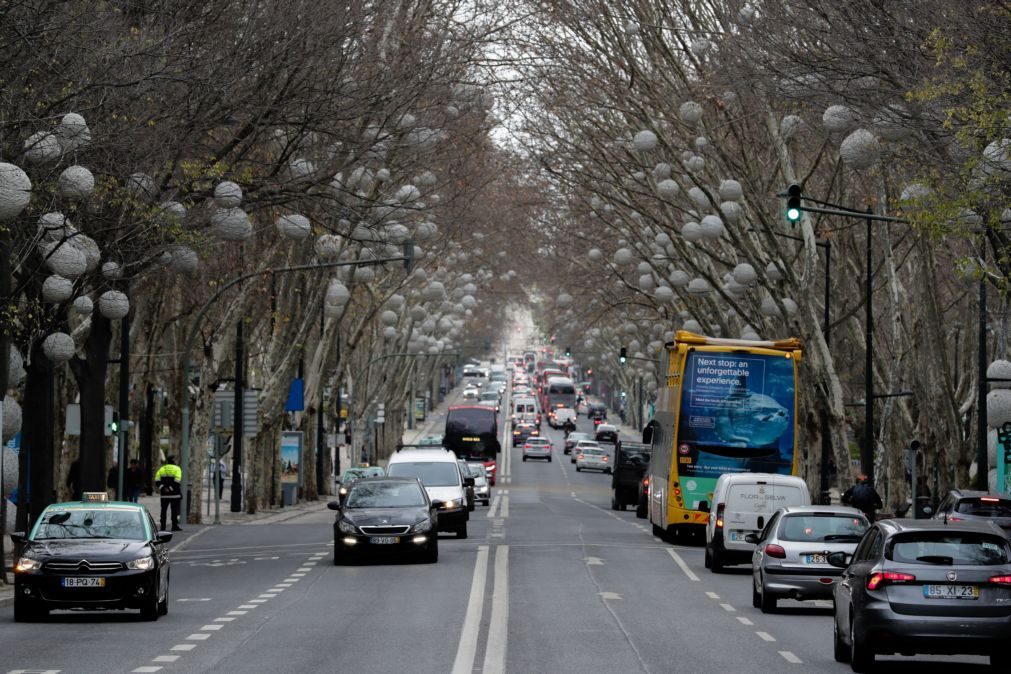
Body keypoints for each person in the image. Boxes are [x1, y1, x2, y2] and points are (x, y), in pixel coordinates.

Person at [155, 455, 183, 531]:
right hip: (175, 495)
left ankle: (162, 527)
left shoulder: (161, 469)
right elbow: (177, 481)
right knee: (174, 511)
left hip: (164, 495)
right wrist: (170, 489)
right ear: (174, 461)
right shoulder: (177, 469)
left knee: (163, 511)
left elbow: (157, 481)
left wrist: (163, 488)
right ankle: (174, 526)